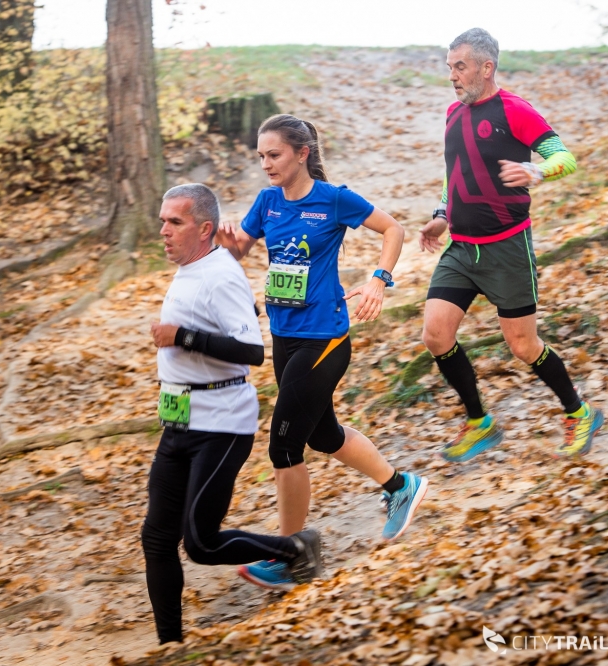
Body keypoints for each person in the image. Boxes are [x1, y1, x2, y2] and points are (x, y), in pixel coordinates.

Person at [218, 114, 429, 591]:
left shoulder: (333, 200)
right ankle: (401, 487)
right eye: (261, 157)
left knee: (284, 444)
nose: (266, 165)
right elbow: (240, 252)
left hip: (325, 337)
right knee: (324, 434)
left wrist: (379, 279)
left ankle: (292, 554)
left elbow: (392, 230)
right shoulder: (268, 201)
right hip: (286, 335)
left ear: (301, 154)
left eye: (274, 155)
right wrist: (229, 247)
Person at [142, 183, 324, 645]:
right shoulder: (193, 266)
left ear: (204, 229)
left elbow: (251, 351)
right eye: (162, 220)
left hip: (220, 424)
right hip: (180, 419)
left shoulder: (220, 274)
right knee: (157, 538)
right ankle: (170, 646)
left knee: (200, 543)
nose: (163, 231)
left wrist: (182, 337)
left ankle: (294, 548)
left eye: (174, 222)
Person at [419, 28, 603, 461]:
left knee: (523, 346)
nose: (453, 76)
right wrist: (442, 215)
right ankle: (480, 424)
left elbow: (564, 156)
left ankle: (580, 412)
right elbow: (455, 175)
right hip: (462, 250)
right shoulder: (452, 113)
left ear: (487, 67)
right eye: (449, 68)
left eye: (460, 67)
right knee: (435, 334)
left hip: (506, 248)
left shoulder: (515, 110)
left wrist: (537, 173)